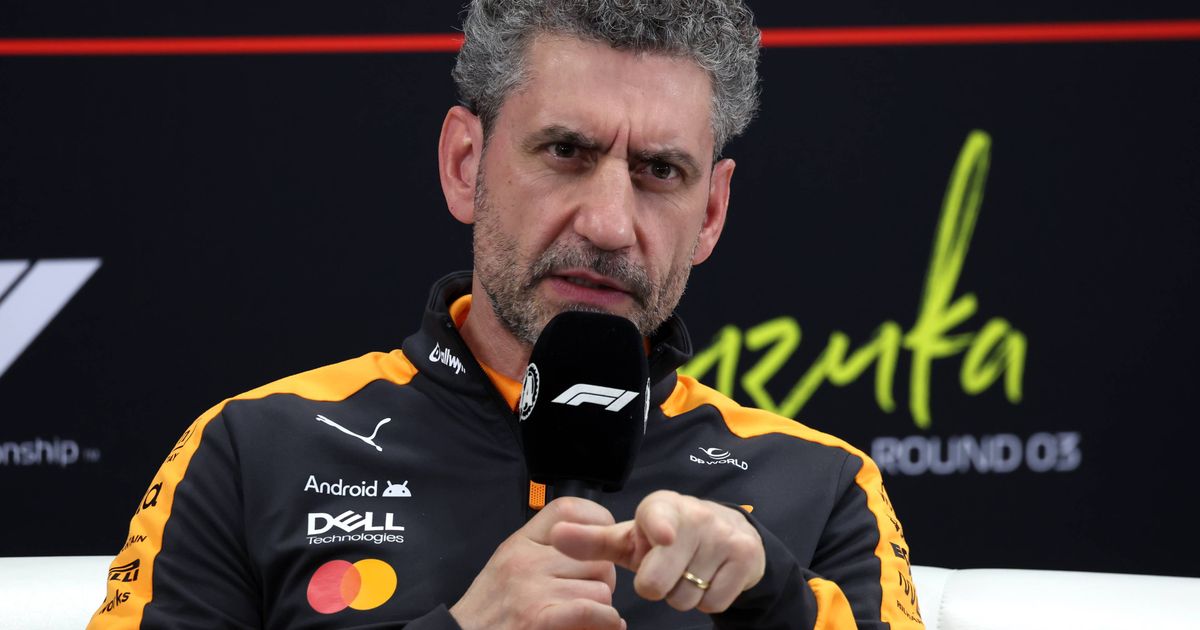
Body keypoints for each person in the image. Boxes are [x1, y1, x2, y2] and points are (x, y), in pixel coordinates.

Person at [89, 1, 922, 628]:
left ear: (711, 213)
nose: (609, 224)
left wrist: (774, 600)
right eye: (566, 152)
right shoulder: (251, 451)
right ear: (466, 163)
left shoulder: (822, 487)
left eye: (660, 171)